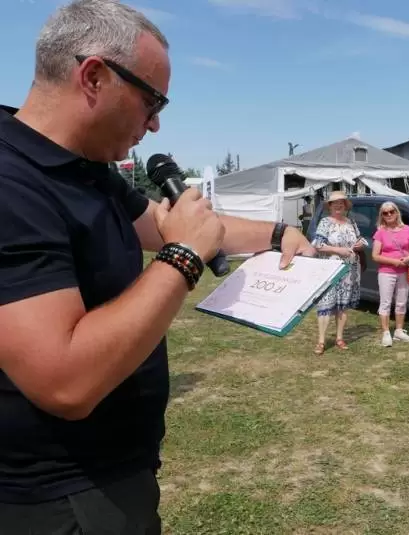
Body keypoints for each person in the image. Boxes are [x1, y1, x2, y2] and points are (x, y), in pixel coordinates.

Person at [0, 1, 314, 532]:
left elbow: (165, 222)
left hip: (115, 474)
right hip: (57, 499)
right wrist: (183, 258)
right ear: (93, 76)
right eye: (152, 100)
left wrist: (280, 234)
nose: (155, 122)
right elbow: (65, 382)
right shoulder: (12, 182)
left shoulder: (82, 167)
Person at [311, 191, 366, 354]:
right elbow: (317, 245)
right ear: (330, 206)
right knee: (326, 304)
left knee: (343, 305)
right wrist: (338, 250)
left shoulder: (351, 222)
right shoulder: (325, 222)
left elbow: (360, 239)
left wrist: (360, 245)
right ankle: (321, 341)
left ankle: (339, 338)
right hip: (330, 270)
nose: (338, 205)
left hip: (350, 270)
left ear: (345, 206)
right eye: (335, 203)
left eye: (341, 203)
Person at [372, 201, 409, 347]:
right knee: (385, 302)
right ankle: (386, 332)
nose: (389, 214)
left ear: (397, 213)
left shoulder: (407, 229)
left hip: (404, 271)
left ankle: (398, 330)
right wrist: (394, 262)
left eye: (391, 211)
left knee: (402, 301)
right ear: (382, 216)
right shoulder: (380, 232)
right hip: (387, 272)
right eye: (385, 213)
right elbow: (375, 256)